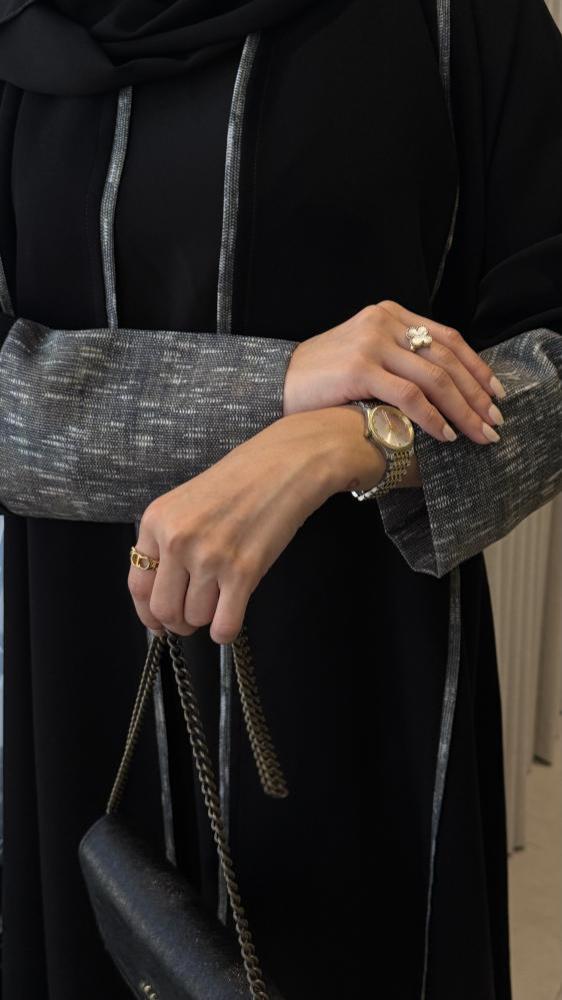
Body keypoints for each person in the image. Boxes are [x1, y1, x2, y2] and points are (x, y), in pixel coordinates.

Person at [0, 0, 561, 997]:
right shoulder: (22, 30)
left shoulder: (458, 21)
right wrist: (277, 389)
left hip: (366, 688)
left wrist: (352, 441)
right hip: (75, 667)